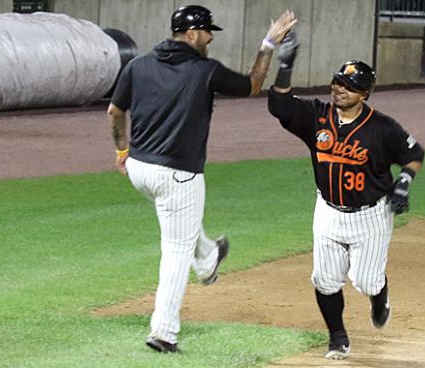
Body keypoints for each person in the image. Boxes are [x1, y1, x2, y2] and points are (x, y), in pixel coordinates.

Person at [107, 5, 296, 353]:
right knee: (176, 251)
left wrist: (122, 153)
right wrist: (267, 44)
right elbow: (252, 84)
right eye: (208, 32)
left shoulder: (138, 65)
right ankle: (163, 332)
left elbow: (115, 112)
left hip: (139, 170)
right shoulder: (204, 70)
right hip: (178, 174)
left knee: (180, 219)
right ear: (192, 34)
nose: (211, 38)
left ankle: (208, 255)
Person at [268, 33, 425, 360]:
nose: (340, 88)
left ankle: (378, 298)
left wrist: (404, 182)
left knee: (367, 282)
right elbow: (279, 105)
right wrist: (285, 64)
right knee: (325, 280)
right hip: (327, 211)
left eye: (349, 85)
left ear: (364, 94)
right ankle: (337, 337)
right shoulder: (316, 116)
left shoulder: (382, 128)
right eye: (338, 81)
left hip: (371, 215)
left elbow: (414, 153)